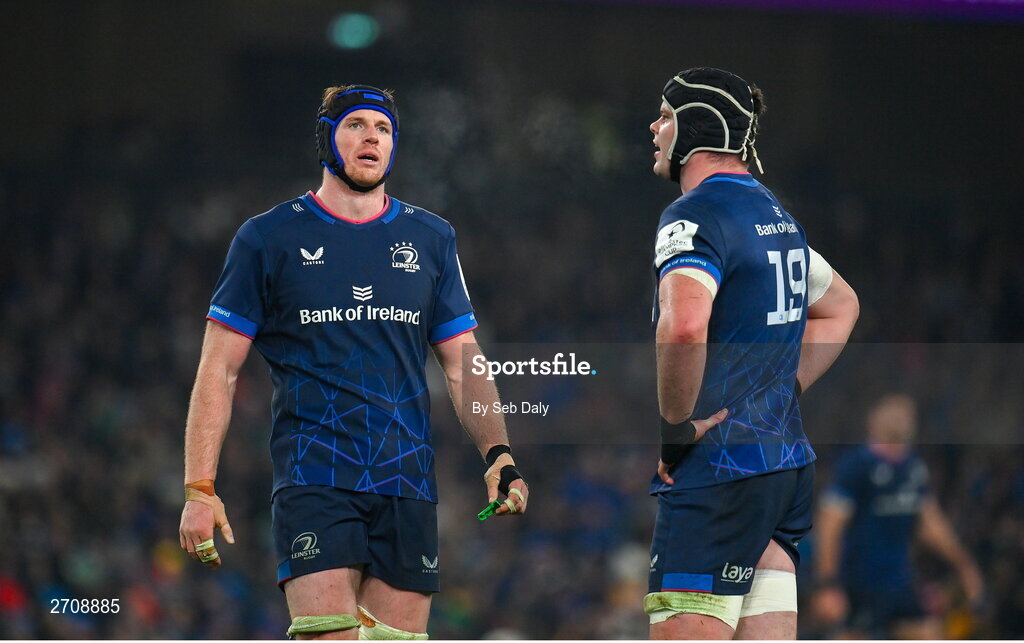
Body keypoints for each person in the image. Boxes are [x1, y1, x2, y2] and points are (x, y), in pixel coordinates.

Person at [177, 84, 529, 640]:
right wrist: (200, 488)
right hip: (314, 477)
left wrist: (499, 454)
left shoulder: (432, 239)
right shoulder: (268, 238)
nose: (372, 137)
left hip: (407, 482)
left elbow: (464, 364)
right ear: (326, 139)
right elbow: (217, 371)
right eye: (356, 125)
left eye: (384, 128)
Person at [642, 67, 860, 639]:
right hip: (784, 470)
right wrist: (778, 390)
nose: (655, 128)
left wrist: (675, 427)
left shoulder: (694, 215)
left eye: (665, 116)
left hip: (719, 471)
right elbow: (842, 307)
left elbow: (684, 327)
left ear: (697, 127)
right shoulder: (776, 217)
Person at [812, 394, 984, 639]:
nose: (902, 417)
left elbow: (931, 525)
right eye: (894, 411)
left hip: (899, 581)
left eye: (907, 413)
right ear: (873, 421)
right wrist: (827, 584)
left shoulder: (914, 468)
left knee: (930, 633)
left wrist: (964, 564)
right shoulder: (856, 466)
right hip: (860, 584)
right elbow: (829, 526)